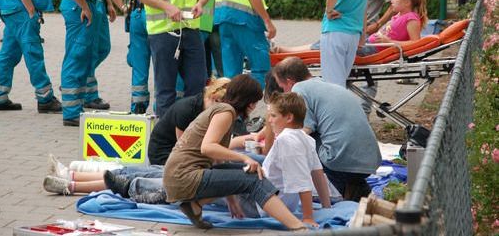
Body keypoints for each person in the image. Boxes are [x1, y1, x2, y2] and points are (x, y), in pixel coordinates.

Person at [163, 75, 306, 231]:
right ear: (249, 103)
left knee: (249, 171)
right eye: (254, 102)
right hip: (184, 177)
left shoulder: (223, 110)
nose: (254, 107)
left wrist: (231, 198)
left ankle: (194, 206)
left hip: (180, 175)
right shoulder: (226, 112)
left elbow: (218, 160)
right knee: (255, 179)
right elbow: (208, 147)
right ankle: (298, 227)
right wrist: (244, 157)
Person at [134, 0, 214, 118]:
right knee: (165, 89)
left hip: (191, 28)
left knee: (197, 83)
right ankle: (164, 136)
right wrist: (166, 6)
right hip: (163, 31)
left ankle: (192, 131)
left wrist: (201, 3)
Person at [272, 57, 381, 201]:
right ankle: (356, 194)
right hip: (371, 158)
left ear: (290, 82)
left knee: (299, 139)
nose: (284, 92)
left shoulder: (299, 89)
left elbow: (304, 131)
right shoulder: (326, 84)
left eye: (282, 87)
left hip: (341, 159)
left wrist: (277, 141)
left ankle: (341, 196)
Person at [105, 0, 164, 114]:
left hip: (136, 14)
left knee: (139, 64)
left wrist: (123, 7)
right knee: (162, 64)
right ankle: (161, 109)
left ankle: (138, 107)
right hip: (159, 16)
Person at [58, 0, 106, 126]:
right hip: (79, 7)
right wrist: (84, 7)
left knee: (92, 52)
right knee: (77, 56)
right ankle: (71, 111)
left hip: (89, 4)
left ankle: (78, 97)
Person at [262, 92, 331, 226]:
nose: (269, 120)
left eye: (273, 116)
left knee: (217, 186)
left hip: (263, 204)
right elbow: (317, 174)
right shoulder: (306, 138)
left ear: (289, 117)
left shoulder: (286, 140)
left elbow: (302, 181)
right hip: (277, 201)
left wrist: (308, 217)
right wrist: (326, 206)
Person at [148, 77, 231, 165]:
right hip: (163, 152)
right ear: (215, 99)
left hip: (184, 150)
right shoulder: (186, 110)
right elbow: (183, 147)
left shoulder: (207, 108)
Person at [357, 0, 428, 56]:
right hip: (369, 44)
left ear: (407, 2)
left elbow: (415, 43)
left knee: (347, 49)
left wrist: (389, 42)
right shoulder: (399, 15)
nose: (392, 1)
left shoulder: (411, 18)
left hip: (372, 49)